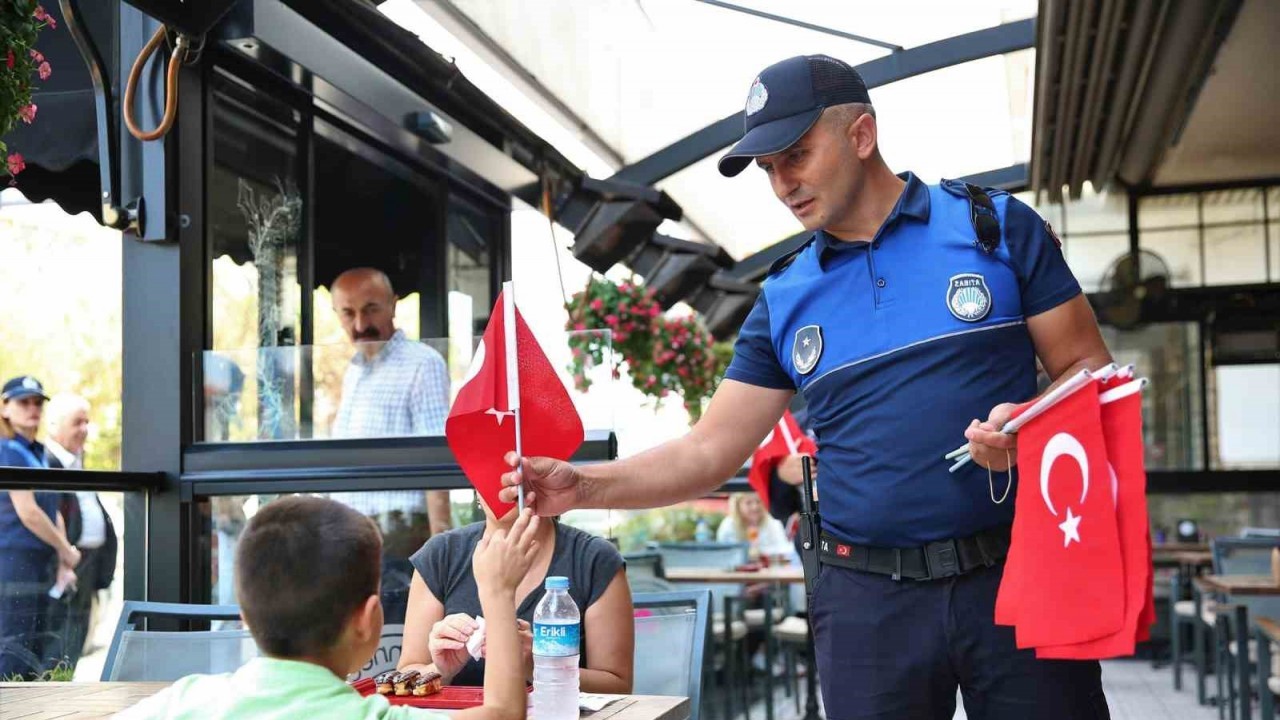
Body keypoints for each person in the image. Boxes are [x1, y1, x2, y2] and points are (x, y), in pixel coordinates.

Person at [500, 55, 1115, 720]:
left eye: (795, 155)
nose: (782, 184)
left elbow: (1090, 370)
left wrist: (1031, 425)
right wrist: (583, 486)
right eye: (767, 169)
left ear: (861, 136)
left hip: (1020, 571)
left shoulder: (993, 228)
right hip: (867, 603)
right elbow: (709, 451)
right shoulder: (785, 294)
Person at [118, 495, 539, 720]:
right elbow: (501, 713)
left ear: (245, 616)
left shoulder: (185, 700)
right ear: (369, 619)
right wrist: (498, 595)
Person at [397, 497, 633, 694]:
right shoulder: (440, 556)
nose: (504, 484)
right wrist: (440, 670)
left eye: (515, 470)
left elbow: (618, 687)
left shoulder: (594, 560)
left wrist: (536, 665)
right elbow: (405, 678)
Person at [328, 268, 453, 536]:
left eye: (371, 309)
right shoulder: (354, 372)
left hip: (399, 531)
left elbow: (435, 458)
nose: (361, 325)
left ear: (393, 306)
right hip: (351, 531)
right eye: (349, 313)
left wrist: (441, 550)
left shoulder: (422, 363)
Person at [0, 375, 79, 678]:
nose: (32, 409)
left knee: (35, 647)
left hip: (40, 564)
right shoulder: (7, 450)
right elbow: (29, 513)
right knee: (13, 647)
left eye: (37, 403)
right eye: (23, 402)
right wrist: (65, 548)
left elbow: (52, 508)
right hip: (13, 563)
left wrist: (63, 556)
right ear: (5, 408)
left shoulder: (39, 452)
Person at [44, 393, 118, 667]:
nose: (84, 430)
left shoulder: (77, 462)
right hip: (65, 565)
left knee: (75, 640)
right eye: (77, 422)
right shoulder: (46, 461)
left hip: (89, 565)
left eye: (87, 422)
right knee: (58, 644)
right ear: (55, 425)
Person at [717, 493, 792, 561]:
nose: (755, 507)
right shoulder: (728, 524)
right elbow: (724, 552)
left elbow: (784, 548)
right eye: (748, 503)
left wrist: (761, 552)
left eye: (758, 501)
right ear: (738, 505)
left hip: (769, 572)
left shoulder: (772, 522)